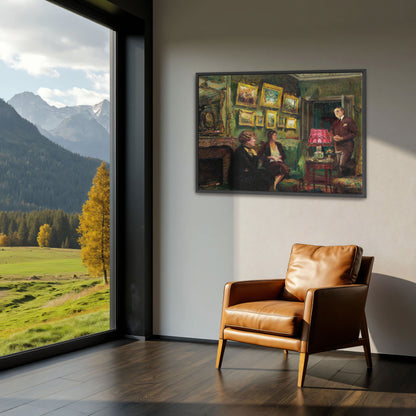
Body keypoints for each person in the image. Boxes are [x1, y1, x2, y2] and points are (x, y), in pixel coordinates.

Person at [330, 107, 358, 176]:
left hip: (347, 146)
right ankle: (340, 179)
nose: (336, 113)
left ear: (342, 111)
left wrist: (342, 138)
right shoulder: (335, 122)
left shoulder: (349, 120)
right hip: (338, 146)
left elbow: (354, 133)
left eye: (338, 111)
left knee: (342, 164)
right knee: (339, 164)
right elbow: (331, 132)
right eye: (335, 112)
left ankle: (343, 178)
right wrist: (333, 137)